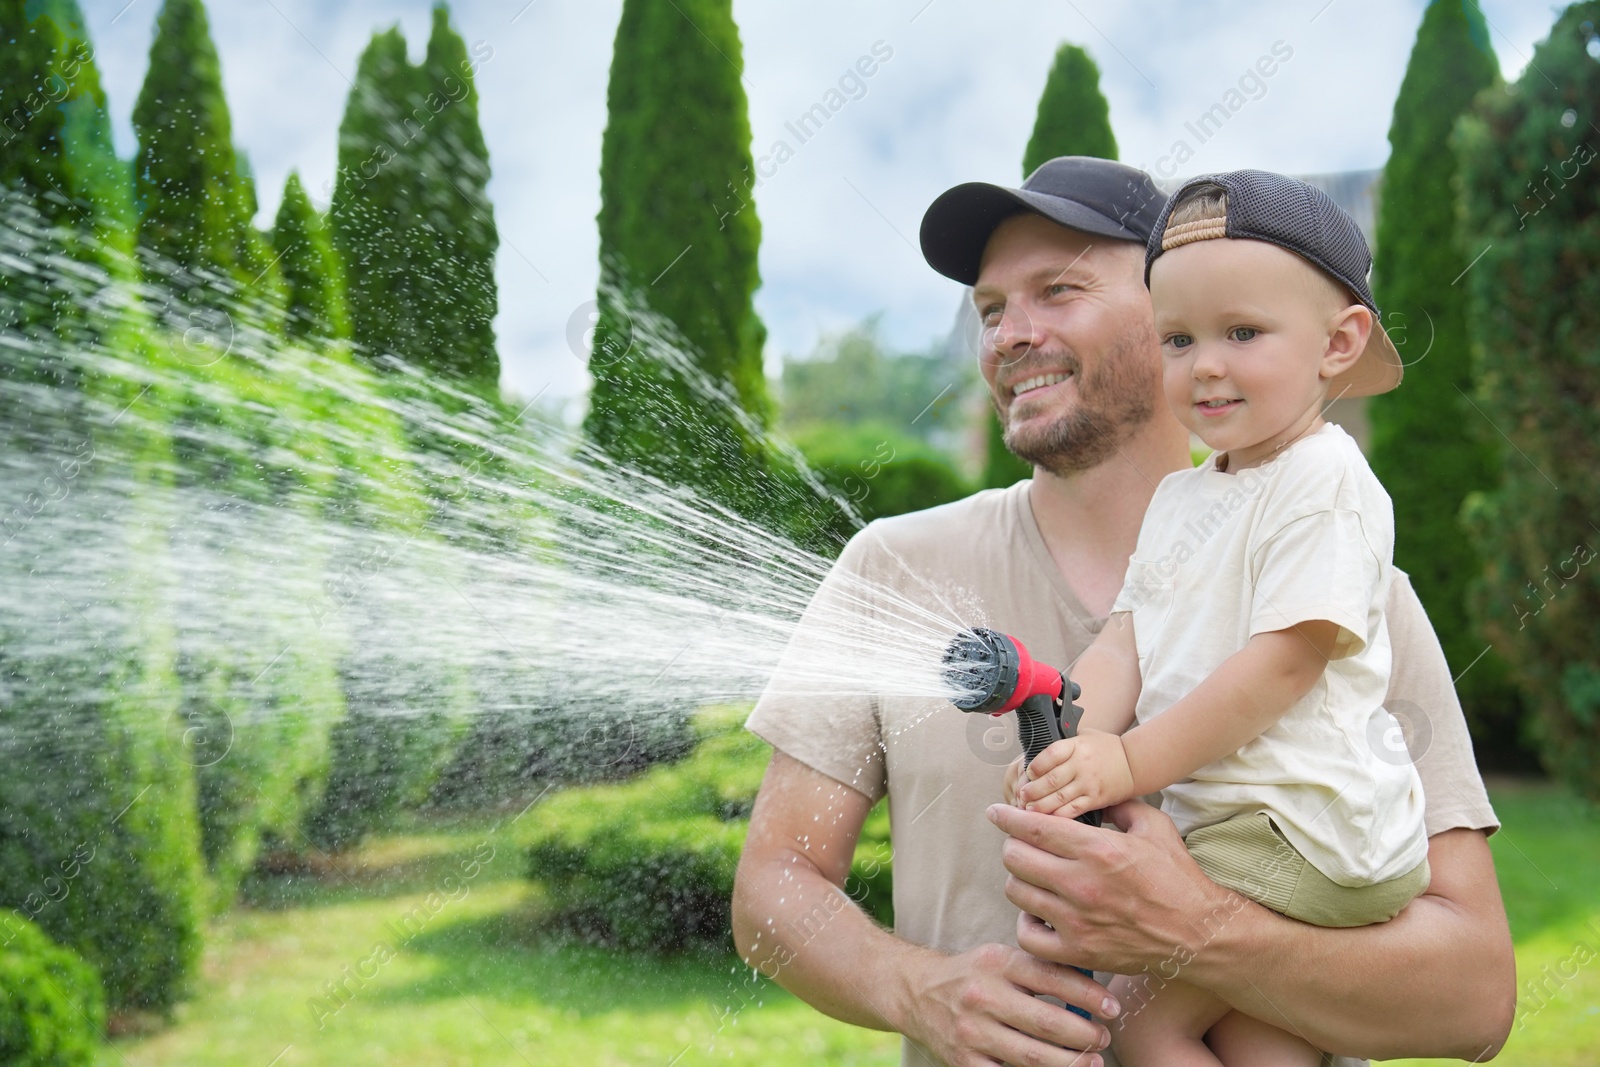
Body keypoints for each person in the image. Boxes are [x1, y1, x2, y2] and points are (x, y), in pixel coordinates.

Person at [731, 156, 1515, 1067]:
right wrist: (924, 991)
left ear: (1170, 304)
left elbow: (1476, 1001)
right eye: (991, 310)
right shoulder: (893, 570)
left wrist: (1201, 929)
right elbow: (771, 887)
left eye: (1057, 290)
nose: (1010, 335)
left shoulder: (1353, 587)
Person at [1013, 171, 1427, 1067]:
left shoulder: (1325, 480)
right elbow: (1129, 634)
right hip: (1257, 826)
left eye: (1243, 332)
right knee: (1255, 1032)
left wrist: (1123, 760)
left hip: (1305, 826)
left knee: (1142, 1019)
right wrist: (1068, 742)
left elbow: (1284, 663)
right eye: (1178, 338)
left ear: (1339, 341)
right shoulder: (1184, 495)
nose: (1205, 363)